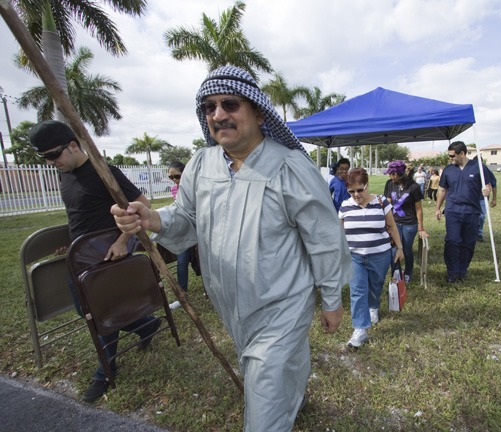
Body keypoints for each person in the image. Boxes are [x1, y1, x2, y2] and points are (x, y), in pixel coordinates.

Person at [110, 65, 352, 431]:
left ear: (257, 111)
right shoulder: (201, 164)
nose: (218, 115)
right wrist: (151, 220)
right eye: (209, 107)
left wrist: (331, 299)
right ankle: (294, 398)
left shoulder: (290, 166)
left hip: (281, 305)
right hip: (230, 304)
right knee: (270, 369)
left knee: (264, 394)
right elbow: (186, 219)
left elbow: (324, 240)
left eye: (230, 104)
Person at [29, 120, 160, 403]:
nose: (52, 163)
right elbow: (79, 215)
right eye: (45, 158)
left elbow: (144, 207)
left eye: (54, 155)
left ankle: (105, 371)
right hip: (79, 257)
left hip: (108, 258)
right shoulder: (64, 175)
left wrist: (122, 242)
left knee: (98, 314)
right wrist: (70, 241)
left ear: (73, 145)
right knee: (86, 311)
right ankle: (145, 325)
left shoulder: (104, 172)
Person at [339, 168, 404, 348]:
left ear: (366, 185)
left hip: (380, 255)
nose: (356, 194)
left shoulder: (382, 202)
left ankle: (373, 306)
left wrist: (399, 248)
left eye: (360, 190)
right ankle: (360, 330)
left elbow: (391, 226)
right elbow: (339, 232)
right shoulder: (345, 206)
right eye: (351, 191)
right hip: (355, 257)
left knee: (375, 285)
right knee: (358, 291)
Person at [435, 141, 495, 283]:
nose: (450, 159)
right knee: (452, 240)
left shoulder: (479, 168)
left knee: (468, 243)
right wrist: (437, 208)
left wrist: (487, 190)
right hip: (452, 211)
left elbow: (488, 185)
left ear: (462, 153)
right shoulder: (449, 170)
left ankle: (462, 270)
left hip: (472, 211)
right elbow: (443, 190)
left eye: (452, 156)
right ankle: (452, 272)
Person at [383, 161, 428, 283]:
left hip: (409, 224)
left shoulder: (414, 187)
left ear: (399, 174)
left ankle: (408, 273)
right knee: (394, 249)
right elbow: (387, 202)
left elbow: (418, 209)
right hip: (394, 223)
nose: (390, 177)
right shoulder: (389, 184)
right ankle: (396, 274)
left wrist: (421, 228)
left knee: (407, 250)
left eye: (392, 174)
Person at [166, 161, 191, 310]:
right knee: (181, 262)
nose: (174, 179)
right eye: (171, 177)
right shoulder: (174, 190)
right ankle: (182, 296)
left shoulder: (194, 187)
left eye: (177, 176)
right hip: (184, 230)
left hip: (201, 229)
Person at [473, 156, 497, 242]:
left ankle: (479, 233)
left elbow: (493, 184)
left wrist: (494, 199)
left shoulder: (485, 170)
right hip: (472, 198)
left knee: (482, 216)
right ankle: (473, 233)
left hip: (482, 198)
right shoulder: (470, 169)